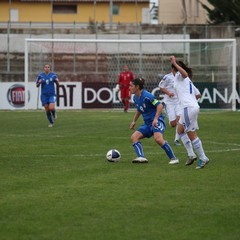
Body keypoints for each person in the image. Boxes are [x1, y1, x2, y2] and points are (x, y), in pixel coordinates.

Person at [170, 55, 209, 169]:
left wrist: (175, 63)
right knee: (180, 130)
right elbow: (198, 95)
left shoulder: (179, 76)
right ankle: (191, 155)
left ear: (174, 69)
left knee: (191, 134)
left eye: (172, 69)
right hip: (190, 107)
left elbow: (185, 74)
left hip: (188, 108)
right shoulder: (187, 81)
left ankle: (203, 158)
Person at [129, 77, 179, 164]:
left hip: (157, 121)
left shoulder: (147, 96)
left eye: (131, 86)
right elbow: (139, 109)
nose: (129, 87)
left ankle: (174, 158)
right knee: (134, 137)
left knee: (158, 139)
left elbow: (159, 105)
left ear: (137, 87)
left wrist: (156, 119)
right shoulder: (135, 98)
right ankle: (141, 157)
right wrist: (134, 121)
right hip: (147, 124)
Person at [159, 72, 182, 146]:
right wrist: (168, 93)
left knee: (180, 119)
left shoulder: (181, 76)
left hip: (178, 102)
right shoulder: (167, 77)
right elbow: (161, 87)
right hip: (169, 103)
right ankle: (168, 116)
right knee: (173, 124)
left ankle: (176, 140)